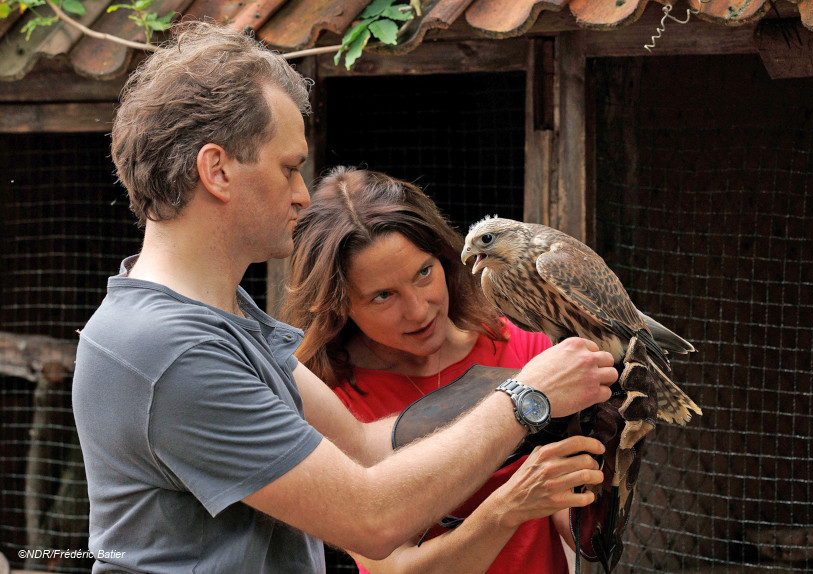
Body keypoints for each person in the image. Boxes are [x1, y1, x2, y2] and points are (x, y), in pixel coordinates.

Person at [70, 21, 617, 574]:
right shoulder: (171, 351)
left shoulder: (225, 315)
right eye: (288, 169)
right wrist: (526, 400)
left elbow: (363, 444)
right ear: (217, 170)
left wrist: (538, 393)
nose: (302, 194)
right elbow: (370, 519)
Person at [282, 166, 580, 574]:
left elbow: (573, 519)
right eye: (383, 296)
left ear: (447, 258)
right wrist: (510, 506)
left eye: (424, 273)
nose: (419, 311)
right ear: (336, 305)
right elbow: (399, 569)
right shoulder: (328, 402)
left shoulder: (522, 346)